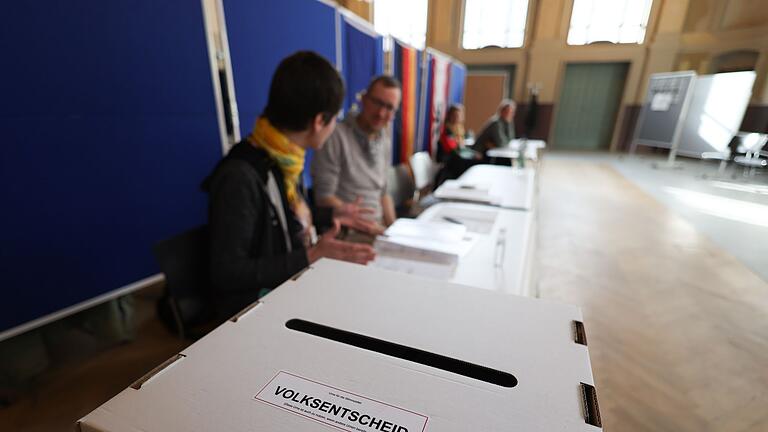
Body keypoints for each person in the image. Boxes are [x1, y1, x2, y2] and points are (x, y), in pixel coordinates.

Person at [202, 51, 378, 319]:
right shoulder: (240, 176)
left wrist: (333, 215)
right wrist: (310, 256)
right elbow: (227, 273)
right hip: (255, 314)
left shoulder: (284, 158)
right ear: (319, 121)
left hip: (290, 289)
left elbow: (286, 217)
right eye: (334, 118)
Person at [311, 75, 401, 229]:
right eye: (377, 103)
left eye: (389, 108)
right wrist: (368, 226)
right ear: (364, 99)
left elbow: (384, 194)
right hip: (346, 231)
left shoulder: (384, 139)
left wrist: (393, 231)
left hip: (376, 230)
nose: (381, 113)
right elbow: (324, 198)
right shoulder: (335, 136)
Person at [435, 104, 482, 186]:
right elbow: (453, 149)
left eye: (459, 115)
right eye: (455, 115)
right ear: (450, 116)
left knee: (478, 158)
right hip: (449, 158)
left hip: (457, 155)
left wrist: (473, 153)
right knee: (472, 162)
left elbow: (461, 147)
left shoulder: (459, 128)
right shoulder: (446, 130)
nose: (457, 117)